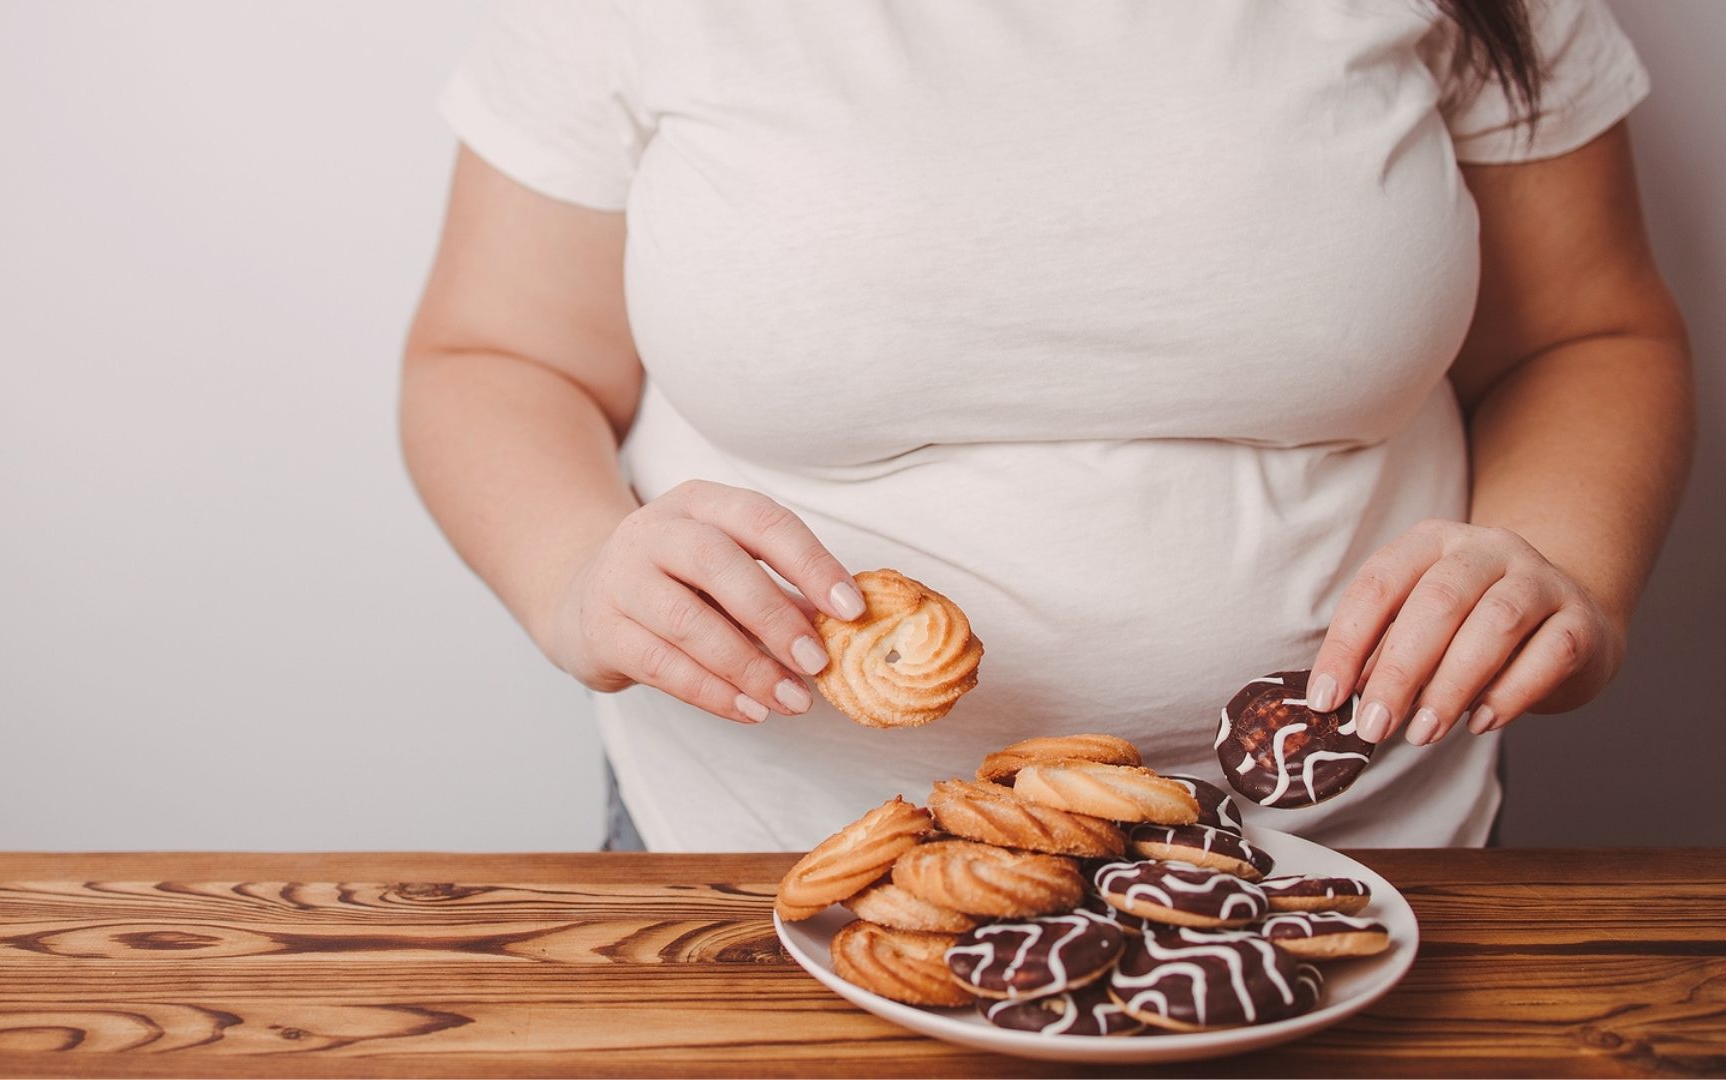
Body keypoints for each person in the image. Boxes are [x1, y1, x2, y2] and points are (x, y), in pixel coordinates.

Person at [400, 1, 1692, 852]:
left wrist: (1559, 562)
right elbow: (496, 354)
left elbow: (1587, 334)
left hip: (1361, 874)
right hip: (761, 863)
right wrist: (573, 568)